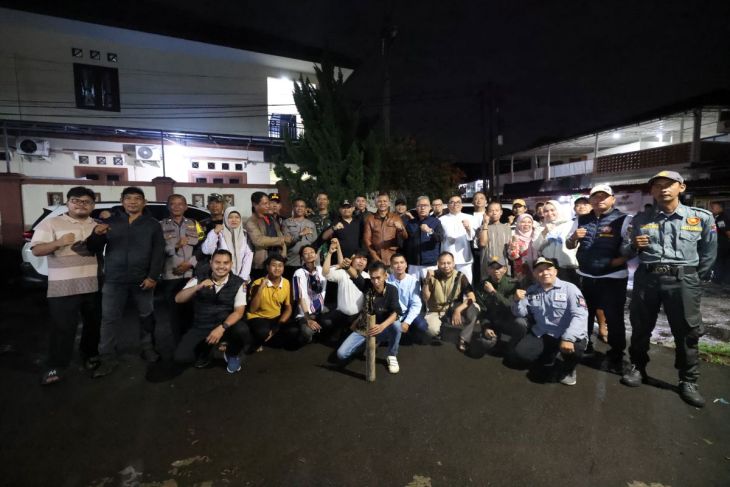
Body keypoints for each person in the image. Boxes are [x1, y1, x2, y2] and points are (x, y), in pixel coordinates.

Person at [620, 171, 717, 408]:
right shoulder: (641, 219)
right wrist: (634, 246)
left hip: (683, 280)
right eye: (658, 185)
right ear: (652, 191)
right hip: (648, 279)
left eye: (669, 184)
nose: (663, 189)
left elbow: (709, 253)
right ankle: (637, 367)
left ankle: (688, 380)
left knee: (687, 331)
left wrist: (693, 278)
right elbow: (625, 251)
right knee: (641, 326)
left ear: (681, 187)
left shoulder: (700, 218)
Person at [86, 187, 166, 377]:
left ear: (144, 202)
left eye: (137, 198)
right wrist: (96, 234)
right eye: (128, 198)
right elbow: (92, 248)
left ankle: (148, 348)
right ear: (122, 201)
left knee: (146, 316)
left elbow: (158, 252)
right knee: (109, 319)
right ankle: (107, 357)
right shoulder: (110, 222)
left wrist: (153, 276)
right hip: (114, 280)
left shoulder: (152, 224)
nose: (132, 202)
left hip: (142, 279)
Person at [31, 186, 101, 385]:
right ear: (68, 203)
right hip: (63, 286)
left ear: (92, 205)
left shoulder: (97, 225)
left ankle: (89, 355)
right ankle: (56, 365)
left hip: (93, 284)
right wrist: (58, 242)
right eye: (76, 200)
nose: (81, 205)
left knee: (93, 325)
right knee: (62, 327)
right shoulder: (51, 222)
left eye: (86, 201)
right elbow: (36, 250)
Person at [567, 184, 631, 365]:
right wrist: (574, 238)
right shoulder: (581, 219)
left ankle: (616, 353)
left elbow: (633, 247)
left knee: (614, 318)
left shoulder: (624, 219)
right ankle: (584, 346)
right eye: (595, 196)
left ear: (613, 199)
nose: (599, 200)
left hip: (613, 278)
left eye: (604, 196)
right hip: (586, 276)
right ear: (590, 200)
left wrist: (614, 262)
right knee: (584, 315)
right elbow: (569, 244)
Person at [510, 257, 588, 385]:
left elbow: (580, 315)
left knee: (576, 348)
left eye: (548, 269)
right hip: (543, 333)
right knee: (521, 354)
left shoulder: (570, 288)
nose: (545, 273)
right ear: (535, 274)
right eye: (540, 270)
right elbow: (520, 313)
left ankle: (569, 369)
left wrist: (568, 338)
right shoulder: (531, 290)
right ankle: (551, 353)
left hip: (565, 334)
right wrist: (517, 300)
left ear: (555, 272)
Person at [173, 249, 250, 374]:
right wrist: (197, 287)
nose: (221, 266)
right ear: (211, 263)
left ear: (231, 264)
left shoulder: (239, 283)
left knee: (242, 330)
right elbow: (178, 299)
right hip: (202, 325)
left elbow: (238, 312)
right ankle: (207, 350)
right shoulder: (199, 278)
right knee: (181, 358)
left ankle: (232, 353)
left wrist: (222, 328)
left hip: (225, 325)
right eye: (217, 262)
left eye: (225, 263)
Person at [335, 261, 402, 374]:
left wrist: (382, 326)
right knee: (341, 354)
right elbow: (355, 276)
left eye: (378, 278)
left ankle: (392, 355)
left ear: (385, 275)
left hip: (383, 328)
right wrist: (347, 267)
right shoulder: (367, 285)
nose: (375, 281)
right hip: (365, 326)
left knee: (397, 325)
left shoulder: (392, 290)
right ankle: (366, 344)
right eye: (372, 278)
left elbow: (396, 312)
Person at [160, 194, 202, 346]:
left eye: (180, 204)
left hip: (191, 275)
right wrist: (175, 247)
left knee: (192, 312)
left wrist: (190, 263)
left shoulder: (195, 224)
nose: (177, 207)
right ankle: (179, 346)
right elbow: (158, 249)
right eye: (173, 204)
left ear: (186, 207)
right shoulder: (161, 225)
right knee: (175, 314)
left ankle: (191, 345)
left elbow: (201, 248)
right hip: (171, 275)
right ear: (168, 206)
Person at [469, 257, 527, 354]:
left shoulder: (513, 284)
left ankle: (513, 344)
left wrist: (493, 292)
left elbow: (510, 306)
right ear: (488, 270)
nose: (496, 270)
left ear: (505, 269)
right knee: (487, 342)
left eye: (499, 267)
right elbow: (483, 311)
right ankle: (496, 341)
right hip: (493, 321)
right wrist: (486, 327)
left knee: (521, 324)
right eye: (492, 267)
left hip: (508, 320)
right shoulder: (481, 286)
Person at [422, 251, 478, 345]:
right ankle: (444, 332)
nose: (446, 266)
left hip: (452, 309)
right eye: (443, 263)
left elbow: (472, 297)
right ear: (438, 264)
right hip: (435, 310)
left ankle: (463, 337)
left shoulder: (460, 276)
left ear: (454, 263)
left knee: (475, 307)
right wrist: (427, 281)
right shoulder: (431, 276)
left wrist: (458, 310)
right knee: (431, 331)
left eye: (449, 263)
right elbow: (425, 298)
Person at [245, 254, 293, 351]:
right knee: (263, 332)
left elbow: (288, 307)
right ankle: (255, 340)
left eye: (280, 266)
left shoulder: (286, 283)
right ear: (267, 267)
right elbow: (252, 309)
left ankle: (267, 339)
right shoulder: (257, 283)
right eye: (274, 265)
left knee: (292, 331)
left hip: (275, 318)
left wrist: (278, 325)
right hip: (258, 317)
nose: (277, 268)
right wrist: (260, 289)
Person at [245, 192, 290, 281]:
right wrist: (281, 239)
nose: (268, 206)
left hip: (276, 262)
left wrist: (283, 253)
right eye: (265, 204)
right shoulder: (251, 222)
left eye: (268, 203)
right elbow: (258, 240)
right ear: (255, 205)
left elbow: (281, 236)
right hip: (261, 265)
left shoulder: (271, 219)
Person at [202, 207, 253, 282]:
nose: (234, 220)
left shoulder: (245, 235)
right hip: (221, 277)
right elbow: (207, 250)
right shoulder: (220, 233)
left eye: (237, 217)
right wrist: (214, 233)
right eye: (230, 217)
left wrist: (243, 278)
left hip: (241, 278)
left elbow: (248, 256)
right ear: (225, 218)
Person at [387, 253, 428, 343]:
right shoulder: (387, 281)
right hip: (393, 314)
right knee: (393, 329)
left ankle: (409, 335)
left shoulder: (413, 281)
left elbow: (416, 304)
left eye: (402, 262)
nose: (399, 265)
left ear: (406, 265)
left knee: (422, 326)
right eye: (396, 263)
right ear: (391, 266)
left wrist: (407, 322)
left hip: (408, 312)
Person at [538, 200, 579, 284]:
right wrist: (544, 233)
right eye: (546, 211)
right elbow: (536, 246)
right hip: (549, 266)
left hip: (568, 266)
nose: (549, 213)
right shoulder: (541, 227)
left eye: (552, 210)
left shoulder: (570, 224)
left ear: (559, 210)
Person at [404, 195, 444, 279]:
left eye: (425, 205)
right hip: (413, 263)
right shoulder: (410, 223)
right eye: (419, 206)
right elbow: (405, 241)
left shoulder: (435, 221)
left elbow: (440, 238)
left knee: (431, 286)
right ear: (416, 208)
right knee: (413, 286)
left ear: (430, 207)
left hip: (430, 263)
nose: (422, 208)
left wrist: (430, 231)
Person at [363, 192, 408, 266]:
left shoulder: (396, 217)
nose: (382, 203)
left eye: (385, 201)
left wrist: (401, 229)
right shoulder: (370, 219)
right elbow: (367, 240)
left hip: (393, 258)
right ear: (376, 203)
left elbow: (405, 236)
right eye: (379, 201)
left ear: (389, 203)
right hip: (376, 257)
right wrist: (374, 256)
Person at [439, 195, 475, 283]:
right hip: (447, 257)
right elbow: (439, 237)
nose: (455, 204)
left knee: (466, 283)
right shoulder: (441, 219)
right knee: (448, 283)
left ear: (462, 205)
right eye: (452, 202)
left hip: (464, 257)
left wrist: (468, 228)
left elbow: (472, 237)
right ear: (448, 206)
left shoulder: (470, 218)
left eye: (458, 202)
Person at [281, 198, 317, 279]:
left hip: (308, 263)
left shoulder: (311, 224)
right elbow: (286, 242)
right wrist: (300, 234)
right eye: (297, 206)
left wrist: (315, 262)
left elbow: (314, 244)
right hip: (292, 262)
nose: (299, 208)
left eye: (302, 206)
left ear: (305, 209)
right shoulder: (286, 223)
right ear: (293, 208)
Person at [478, 201, 512, 277]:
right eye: (491, 211)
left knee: (504, 282)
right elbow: (483, 243)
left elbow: (510, 249)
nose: (494, 213)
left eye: (497, 210)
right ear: (486, 213)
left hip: (504, 265)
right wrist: (485, 224)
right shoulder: (482, 228)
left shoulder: (507, 228)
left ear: (501, 212)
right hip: (488, 264)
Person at [508, 213, 543, 286]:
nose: (526, 224)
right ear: (518, 223)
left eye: (529, 222)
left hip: (537, 267)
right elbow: (512, 256)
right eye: (523, 222)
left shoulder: (536, 235)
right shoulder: (514, 237)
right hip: (521, 270)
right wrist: (514, 244)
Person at [709, 201, 730, 284]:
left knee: (720, 262)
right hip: (720, 244)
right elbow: (713, 231)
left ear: (719, 208)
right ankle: (720, 279)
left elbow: (727, 231)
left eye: (713, 207)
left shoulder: (721, 218)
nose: (711, 209)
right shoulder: (718, 217)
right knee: (722, 262)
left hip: (723, 245)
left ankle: (718, 280)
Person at [470, 192, 487, 285]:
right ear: (472, 202)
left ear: (486, 202)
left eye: (481, 198)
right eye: (476, 198)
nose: (479, 200)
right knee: (474, 274)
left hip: (486, 249)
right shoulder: (468, 216)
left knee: (486, 274)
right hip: (472, 250)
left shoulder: (489, 215)